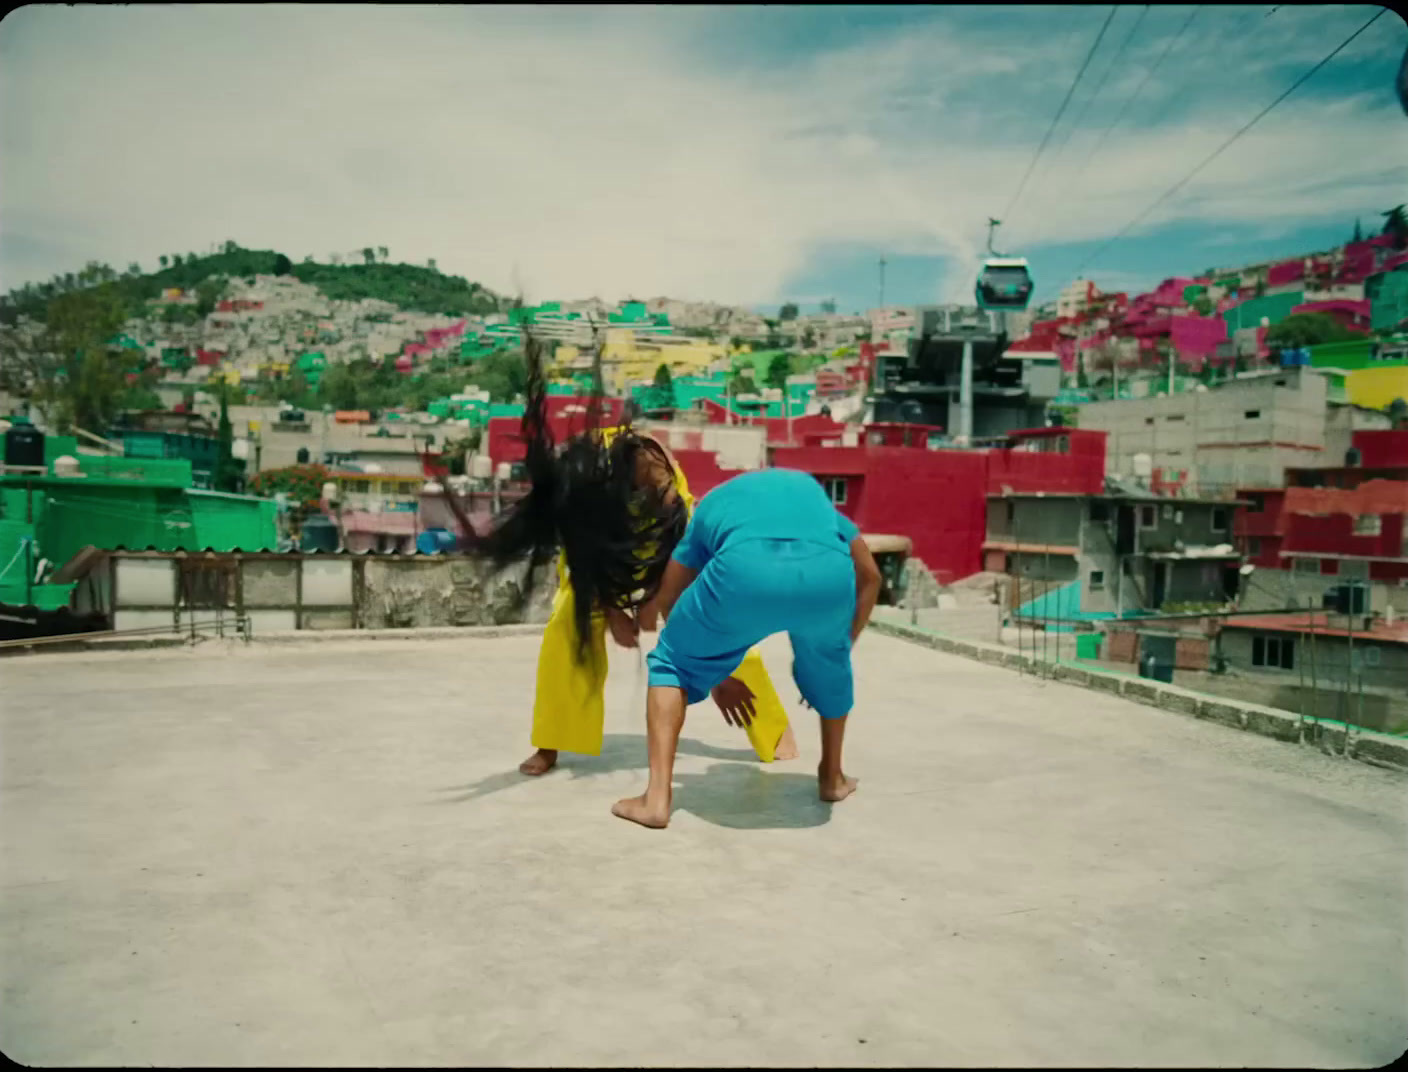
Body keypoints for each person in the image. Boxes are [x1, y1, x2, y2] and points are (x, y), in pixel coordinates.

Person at [518, 422, 799, 776]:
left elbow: (679, 592)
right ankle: (549, 743)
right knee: (566, 626)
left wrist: (715, 675)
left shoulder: (675, 507)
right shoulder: (583, 489)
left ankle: (773, 731)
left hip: (663, 546)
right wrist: (612, 610)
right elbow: (582, 557)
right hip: (596, 554)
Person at [612, 466, 882, 830]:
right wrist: (841, 645)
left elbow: (671, 596)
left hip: (744, 572)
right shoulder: (817, 506)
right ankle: (832, 777)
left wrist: (714, 675)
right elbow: (871, 576)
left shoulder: (710, 508)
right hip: (827, 579)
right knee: (829, 666)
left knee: (670, 661)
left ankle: (656, 799)